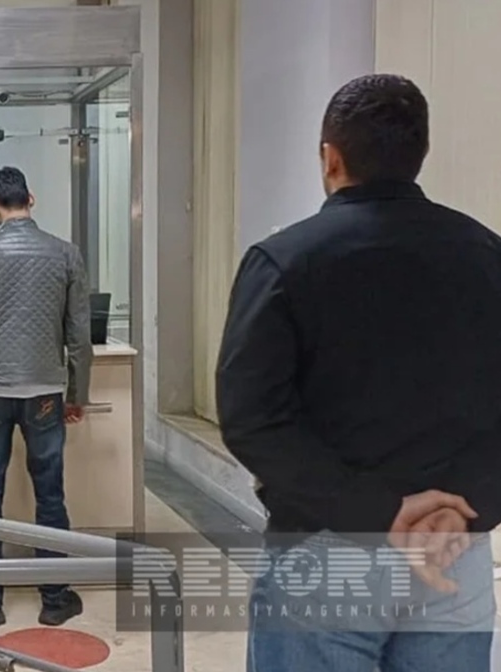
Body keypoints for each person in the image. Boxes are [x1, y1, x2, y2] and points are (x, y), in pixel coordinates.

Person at [217, 74, 499, 672]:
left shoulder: (285, 262)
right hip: (456, 551)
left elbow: (252, 419)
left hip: (328, 552)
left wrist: (379, 510)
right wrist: (464, 509)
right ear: (418, 156)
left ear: (330, 157)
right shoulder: (488, 258)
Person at [0, 166, 92, 628]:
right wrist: (78, 392)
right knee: (50, 490)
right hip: (46, 390)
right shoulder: (66, 254)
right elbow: (80, 335)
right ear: (32, 197)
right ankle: (54, 596)